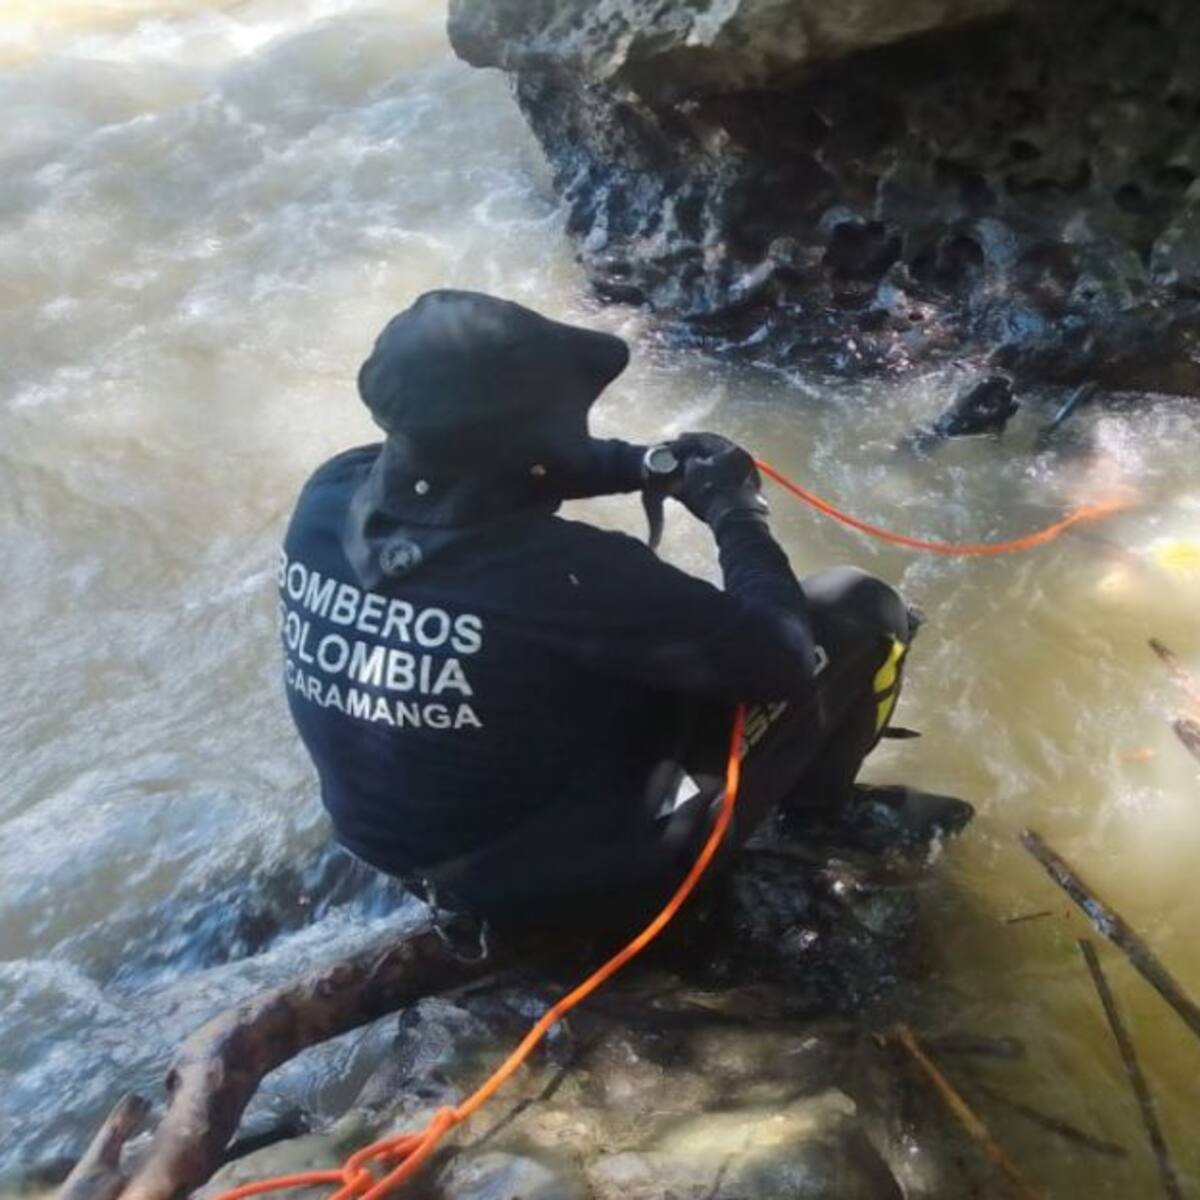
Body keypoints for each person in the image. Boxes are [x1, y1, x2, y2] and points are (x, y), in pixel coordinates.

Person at [279, 290, 971, 940]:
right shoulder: (568, 575)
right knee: (859, 607)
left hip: (407, 854)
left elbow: (492, 469)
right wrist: (736, 513)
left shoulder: (333, 493)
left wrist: (645, 465)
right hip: (576, 900)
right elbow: (782, 658)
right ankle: (818, 822)